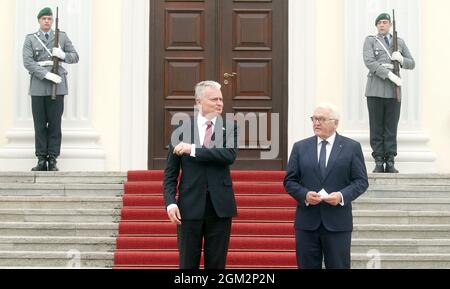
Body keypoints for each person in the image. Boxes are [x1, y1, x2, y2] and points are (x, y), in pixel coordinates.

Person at [163, 81, 238, 269]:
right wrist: (171, 202)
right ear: (199, 101)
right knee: (188, 264)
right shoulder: (181, 130)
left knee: (216, 264)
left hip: (219, 207)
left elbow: (228, 155)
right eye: (214, 99)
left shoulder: (230, 127)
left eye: (221, 99)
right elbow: (170, 173)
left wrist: (193, 149)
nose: (220, 103)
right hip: (189, 207)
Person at [284, 103, 369, 269]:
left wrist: (341, 196)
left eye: (321, 119)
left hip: (337, 223)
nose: (316, 123)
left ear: (335, 123)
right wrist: (305, 195)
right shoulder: (300, 147)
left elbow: (361, 181)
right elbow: (289, 181)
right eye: (314, 119)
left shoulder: (351, 147)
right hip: (307, 223)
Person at [23, 7, 79, 171]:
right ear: (39, 21)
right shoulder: (31, 39)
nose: (47, 21)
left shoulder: (61, 37)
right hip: (39, 86)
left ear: (52, 21)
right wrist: (46, 75)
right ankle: (41, 159)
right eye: (44, 19)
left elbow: (75, 56)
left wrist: (62, 55)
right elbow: (27, 61)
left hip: (58, 86)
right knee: (39, 124)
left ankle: (53, 158)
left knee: (55, 124)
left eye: (49, 18)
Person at [363, 12, 415, 173]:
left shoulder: (399, 42)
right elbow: (369, 62)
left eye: (385, 22)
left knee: (391, 126)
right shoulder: (371, 40)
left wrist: (401, 59)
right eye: (379, 23)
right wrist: (389, 74)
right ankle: (379, 160)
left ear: (390, 25)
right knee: (376, 126)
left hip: (394, 91)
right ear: (376, 26)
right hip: (375, 88)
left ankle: (390, 160)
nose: (382, 25)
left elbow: (411, 63)